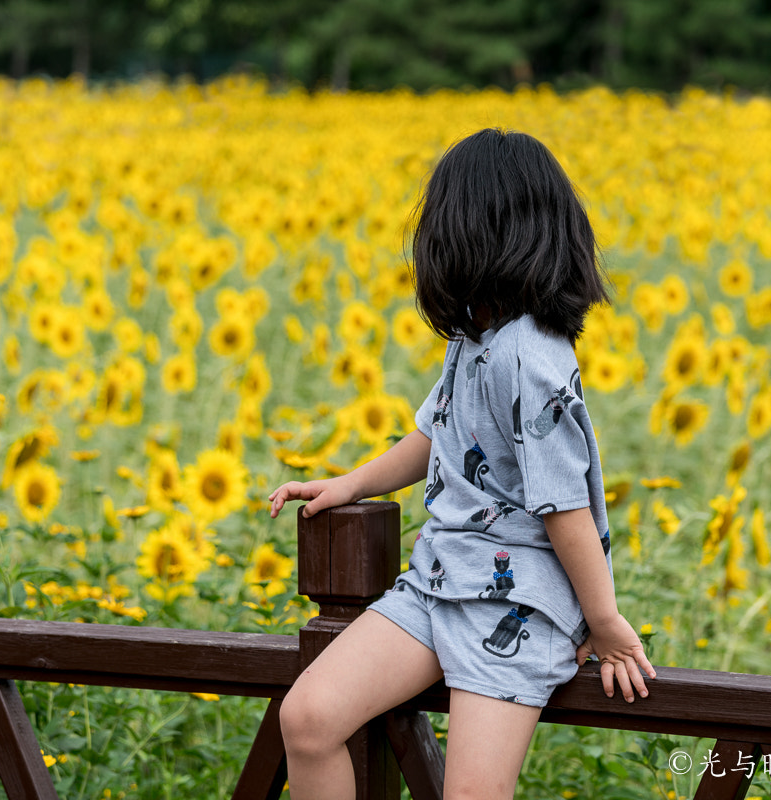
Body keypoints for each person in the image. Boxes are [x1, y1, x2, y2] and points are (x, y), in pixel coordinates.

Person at [267, 128, 655, 800]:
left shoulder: (529, 357)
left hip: (517, 605)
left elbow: (563, 506)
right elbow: (438, 435)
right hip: (439, 586)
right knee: (308, 718)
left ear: (472, 233)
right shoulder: (480, 336)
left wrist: (605, 621)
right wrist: (351, 482)